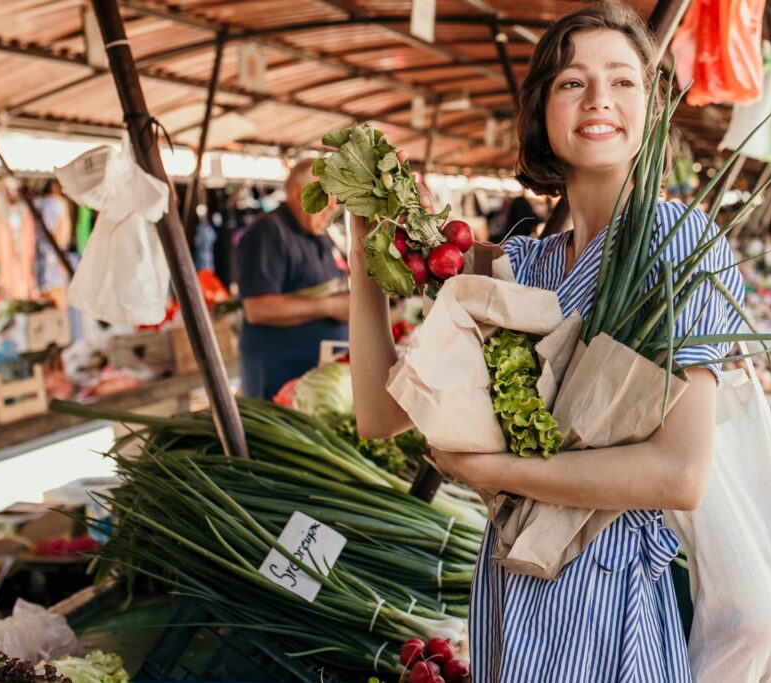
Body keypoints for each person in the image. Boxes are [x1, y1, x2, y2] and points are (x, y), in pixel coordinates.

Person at [347, 1, 744, 680]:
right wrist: (364, 261)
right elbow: (380, 415)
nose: (599, 99)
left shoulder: (680, 245)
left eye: (623, 80)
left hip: (608, 603)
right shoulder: (520, 265)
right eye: (571, 82)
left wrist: (493, 473)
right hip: (509, 593)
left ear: (650, 109)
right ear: (541, 111)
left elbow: (679, 474)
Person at [236, 159, 349, 399]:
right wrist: (330, 307)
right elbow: (257, 309)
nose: (333, 207)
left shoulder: (317, 232)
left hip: (314, 378)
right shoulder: (267, 232)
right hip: (278, 377)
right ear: (299, 194)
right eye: (326, 198)